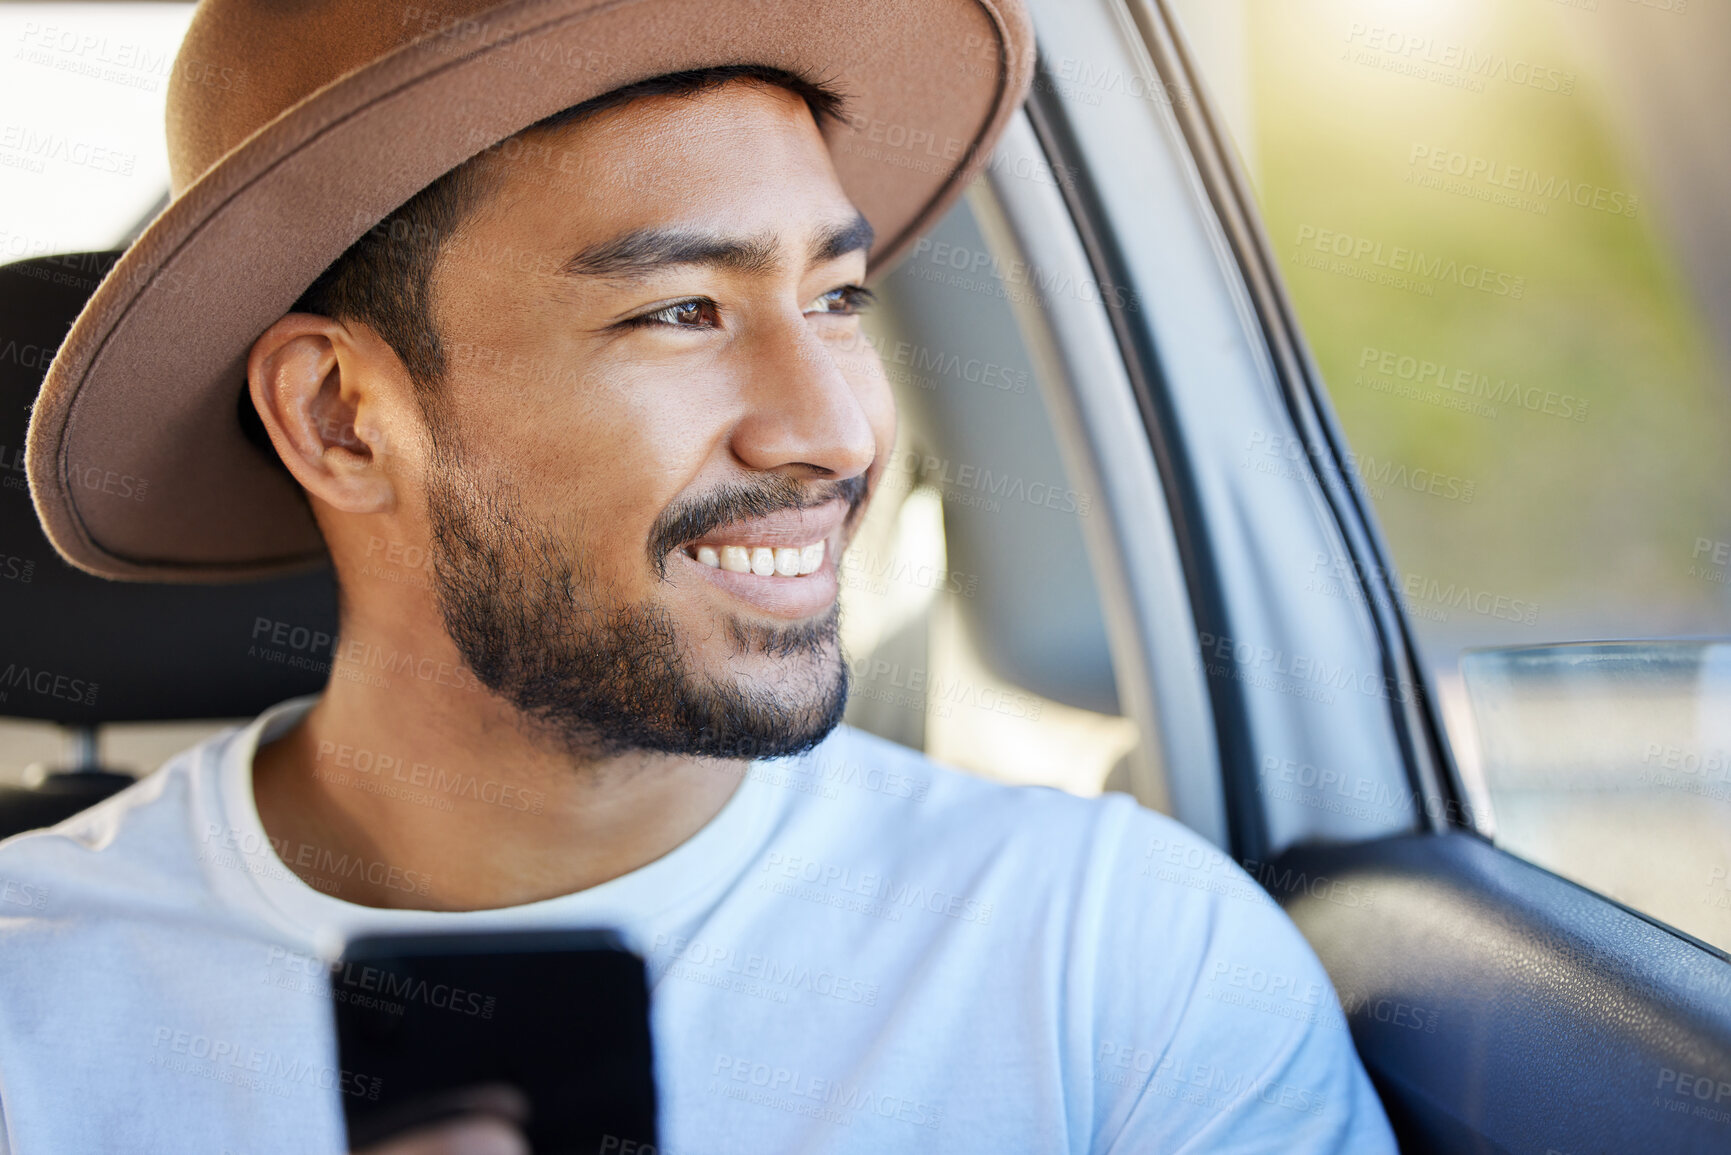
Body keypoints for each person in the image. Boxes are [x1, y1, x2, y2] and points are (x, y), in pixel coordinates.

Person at [1, 1, 1397, 1152]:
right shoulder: (30, 1009)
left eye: (837, 300)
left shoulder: (1116, 962)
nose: (836, 434)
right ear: (340, 417)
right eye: (682, 311)